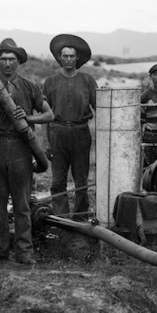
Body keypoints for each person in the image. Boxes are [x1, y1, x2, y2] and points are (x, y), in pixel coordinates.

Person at [0, 38, 54, 265]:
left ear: (18, 62)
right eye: (3, 59)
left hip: (20, 146)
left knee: (22, 202)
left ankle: (24, 250)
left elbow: (49, 115)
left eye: (12, 59)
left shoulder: (29, 86)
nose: (7, 63)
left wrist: (28, 118)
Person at [42, 34, 97, 220]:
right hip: (57, 133)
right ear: (59, 58)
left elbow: (101, 108)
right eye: (64, 56)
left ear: (77, 58)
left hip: (81, 132)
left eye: (72, 56)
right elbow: (45, 115)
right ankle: (61, 218)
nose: (68, 59)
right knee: (58, 180)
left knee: (81, 179)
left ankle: (80, 216)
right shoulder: (50, 82)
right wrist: (46, 142)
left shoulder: (88, 81)